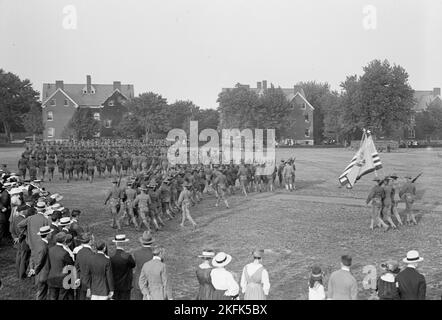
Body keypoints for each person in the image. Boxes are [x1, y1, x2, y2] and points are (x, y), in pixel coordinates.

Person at [47, 232, 75, 300]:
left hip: (52, 276)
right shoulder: (64, 252)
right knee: (62, 297)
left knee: (53, 297)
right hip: (62, 278)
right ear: (65, 240)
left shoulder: (50, 250)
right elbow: (71, 263)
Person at [28, 225, 52, 300]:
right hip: (43, 273)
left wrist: (32, 268)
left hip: (39, 273)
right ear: (47, 235)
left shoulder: (37, 243)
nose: (51, 234)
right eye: (50, 233)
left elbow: (32, 256)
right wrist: (35, 271)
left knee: (41, 292)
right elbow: (40, 261)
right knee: (42, 293)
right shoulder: (44, 247)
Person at [110, 234, 136, 300]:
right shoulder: (127, 256)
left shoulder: (111, 256)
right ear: (124, 244)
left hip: (115, 284)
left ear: (116, 244)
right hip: (125, 285)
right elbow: (133, 265)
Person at [132, 231, 154, 300]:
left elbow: (133, 266)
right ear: (151, 242)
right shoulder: (154, 254)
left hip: (138, 280)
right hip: (150, 282)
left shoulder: (136, 253)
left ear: (142, 242)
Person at [73, 232, 95, 300]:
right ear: (90, 241)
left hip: (81, 282)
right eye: (93, 239)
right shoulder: (92, 254)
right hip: (90, 284)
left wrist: (78, 279)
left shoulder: (79, 252)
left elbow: (76, 267)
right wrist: (89, 287)